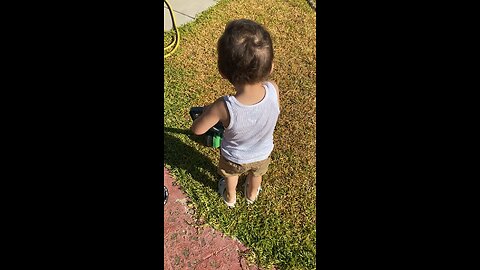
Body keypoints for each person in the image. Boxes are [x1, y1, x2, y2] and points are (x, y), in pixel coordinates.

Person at [191, 19, 280, 208]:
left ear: (222, 72)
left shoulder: (224, 106)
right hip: (263, 153)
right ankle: (252, 194)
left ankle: (230, 196)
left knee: (230, 176)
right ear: (271, 67)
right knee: (257, 174)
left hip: (234, 158)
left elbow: (198, 130)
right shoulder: (273, 90)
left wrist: (207, 113)